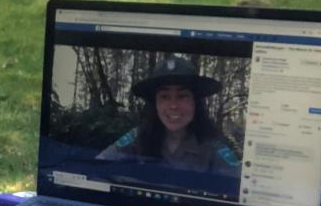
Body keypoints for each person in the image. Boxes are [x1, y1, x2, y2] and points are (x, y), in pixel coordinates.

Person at [97, 56, 241, 177]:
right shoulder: (138, 137)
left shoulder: (213, 147)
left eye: (182, 96)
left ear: (195, 102)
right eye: (164, 97)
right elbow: (97, 167)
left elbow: (240, 187)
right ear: (155, 103)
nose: (173, 106)